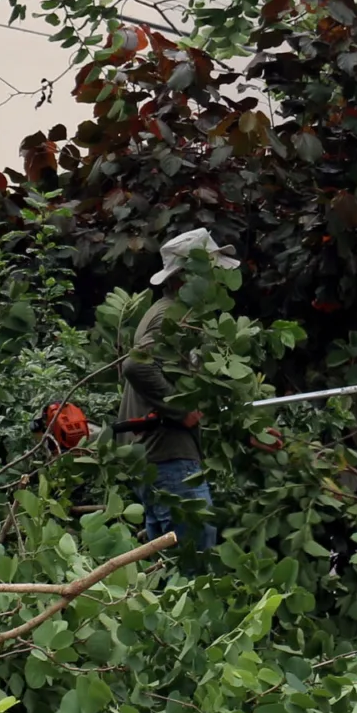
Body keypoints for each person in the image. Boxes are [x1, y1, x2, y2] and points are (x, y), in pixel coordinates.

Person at [116, 228, 237, 552]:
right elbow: (135, 366)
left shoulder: (174, 315)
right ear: (188, 276)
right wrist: (181, 411)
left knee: (165, 558)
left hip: (156, 455)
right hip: (167, 454)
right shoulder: (172, 316)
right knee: (194, 550)